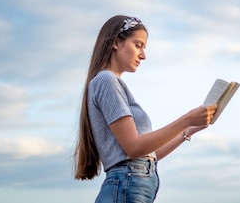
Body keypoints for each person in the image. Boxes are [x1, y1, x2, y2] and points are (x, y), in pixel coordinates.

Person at [74, 15, 217, 203]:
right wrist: (187, 119)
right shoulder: (106, 80)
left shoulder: (111, 83)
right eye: (138, 45)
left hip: (130, 183)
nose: (143, 55)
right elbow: (134, 148)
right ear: (116, 42)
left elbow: (149, 155)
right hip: (127, 183)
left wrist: (189, 130)